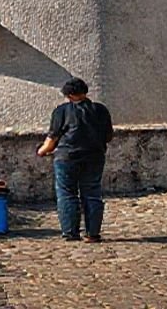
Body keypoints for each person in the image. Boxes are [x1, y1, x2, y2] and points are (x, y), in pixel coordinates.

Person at [36, 76, 113, 242]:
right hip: (94, 156)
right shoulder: (101, 110)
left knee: (67, 193)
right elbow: (108, 136)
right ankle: (92, 233)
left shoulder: (62, 111)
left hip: (67, 157)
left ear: (69, 95)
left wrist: (42, 151)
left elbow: (52, 139)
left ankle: (71, 232)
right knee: (92, 192)